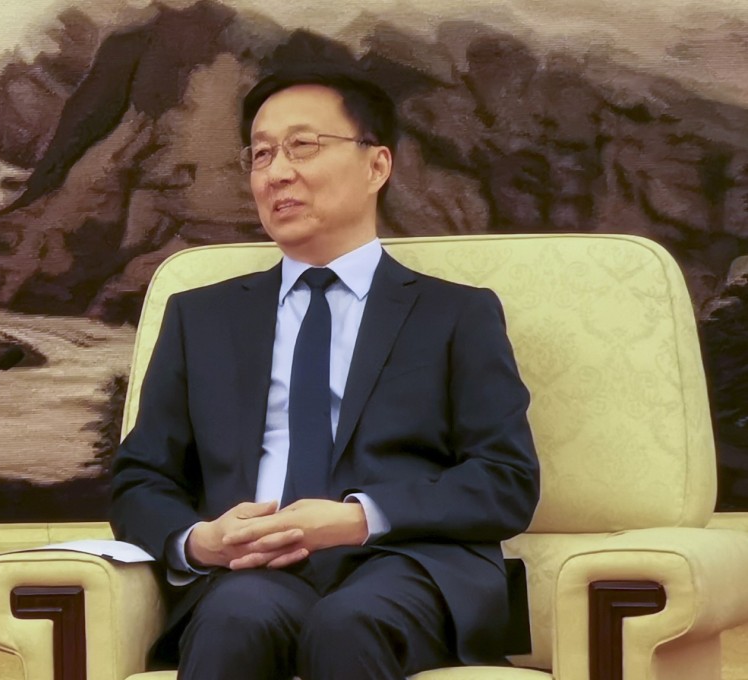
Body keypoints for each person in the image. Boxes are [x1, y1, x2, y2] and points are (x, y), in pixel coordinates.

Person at [110, 68, 540, 680]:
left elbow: (505, 479)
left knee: (348, 624)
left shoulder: (455, 314)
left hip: (405, 562)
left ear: (376, 166)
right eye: (261, 154)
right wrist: (201, 541)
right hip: (256, 572)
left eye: (302, 146)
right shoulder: (199, 317)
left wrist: (360, 517)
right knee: (234, 618)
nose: (276, 172)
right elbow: (140, 478)